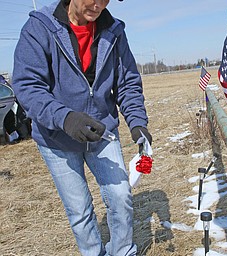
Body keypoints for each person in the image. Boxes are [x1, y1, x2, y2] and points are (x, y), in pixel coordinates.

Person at [12, 0, 152, 255]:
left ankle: (122, 251)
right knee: (80, 210)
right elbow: (28, 87)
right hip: (56, 138)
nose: (98, 4)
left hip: (103, 134)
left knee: (121, 198)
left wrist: (137, 122)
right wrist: (66, 118)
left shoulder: (114, 31)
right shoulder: (39, 28)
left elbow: (128, 83)